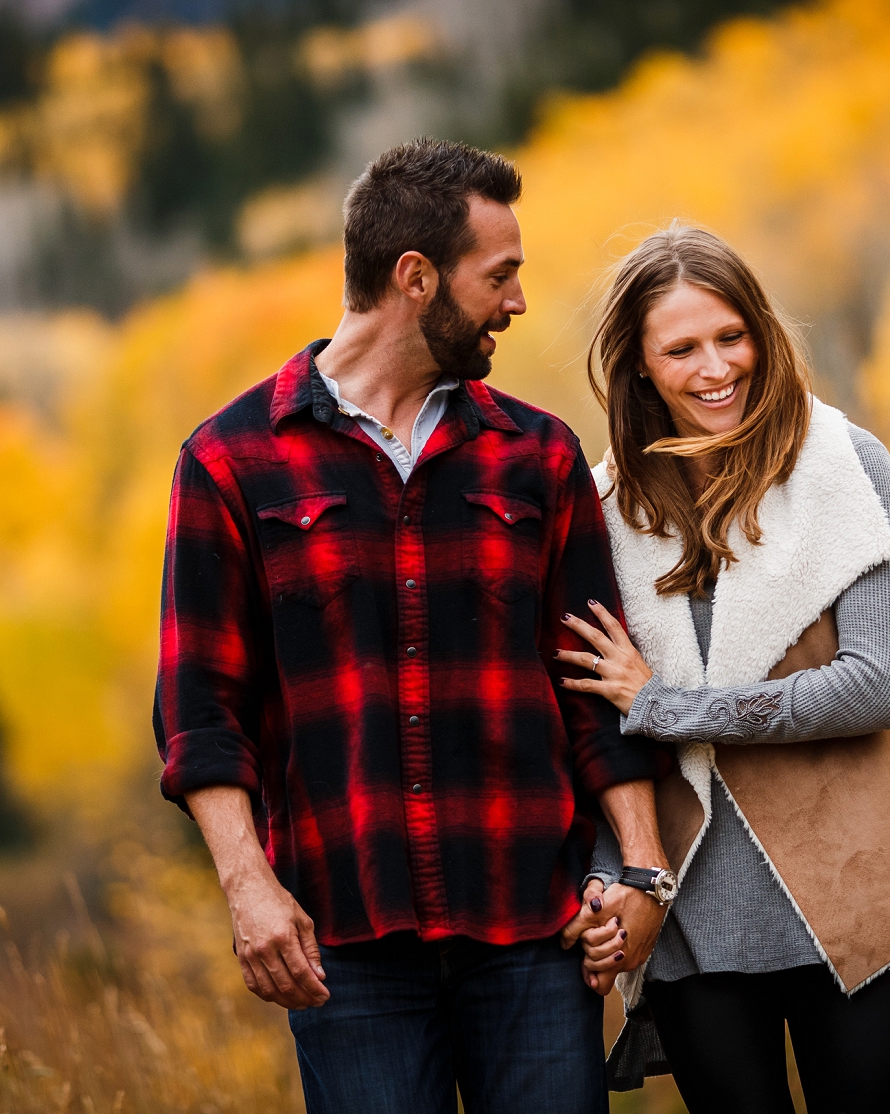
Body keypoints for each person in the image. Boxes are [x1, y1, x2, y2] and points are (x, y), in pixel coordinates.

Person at [152, 139, 671, 1114]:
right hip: (346, 947)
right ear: (414, 277)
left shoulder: (538, 456)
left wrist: (641, 870)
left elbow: (599, 687)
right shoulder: (230, 463)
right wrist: (245, 884)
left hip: (532, 931)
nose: (516, 301)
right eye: (500, 275)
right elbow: (196, 710)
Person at [556, 224, 890, 1113]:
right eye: (683, 348)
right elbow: (592, 716)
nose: (716, 367)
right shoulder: (600, 510)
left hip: (853, 889)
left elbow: (878, 685)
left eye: (732, 336)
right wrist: (607, 872)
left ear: (764, 335)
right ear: (638, 368)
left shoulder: (846, 466)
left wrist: (672, 706)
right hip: (696, 913)